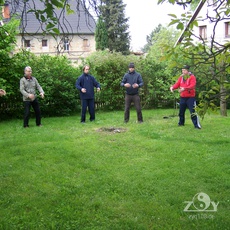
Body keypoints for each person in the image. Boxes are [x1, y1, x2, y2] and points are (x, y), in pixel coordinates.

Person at [170, 65, 201, 129]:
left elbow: (192, 86)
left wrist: (184, 88)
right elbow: (177, 84)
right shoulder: (181, 77)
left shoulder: (192, 77)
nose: (183, 72)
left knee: (193, 112)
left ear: (188, 70)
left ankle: (197, 125)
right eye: (182, 70)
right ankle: (181, 123)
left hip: (190, 97)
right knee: (181, 111)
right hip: (183, 97)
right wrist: (172, 87)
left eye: (184, 70)